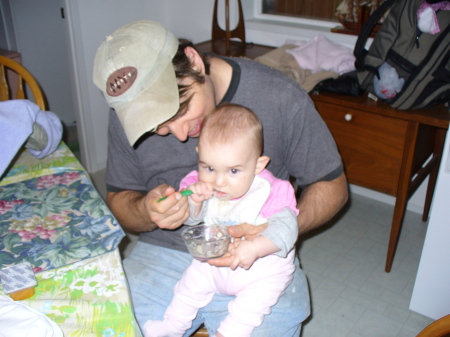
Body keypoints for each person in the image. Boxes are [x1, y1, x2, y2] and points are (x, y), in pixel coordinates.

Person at [93, 20, 348, 337]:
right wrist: (146, 211)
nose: (181, 135)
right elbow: (119, 199)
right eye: (158, 128)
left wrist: (275, 230)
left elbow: (332, 187)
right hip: (164, 254)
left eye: (180, 109)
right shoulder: (130, 113)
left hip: (259, 260)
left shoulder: (280, 96)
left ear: (195, 62)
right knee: (107, 326)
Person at [144, 104, 299, 337]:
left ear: (258, 165)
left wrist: (256, 247)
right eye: (209, 167)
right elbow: (193, 221)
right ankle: (172, 327)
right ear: (199, 155)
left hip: (261, 271)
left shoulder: (270, 190)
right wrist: (194, 203)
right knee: (188, 285)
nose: (218, 182)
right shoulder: (199, 183)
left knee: (248, 310)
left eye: (233, 171)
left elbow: (288, 229)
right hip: (214, 263)